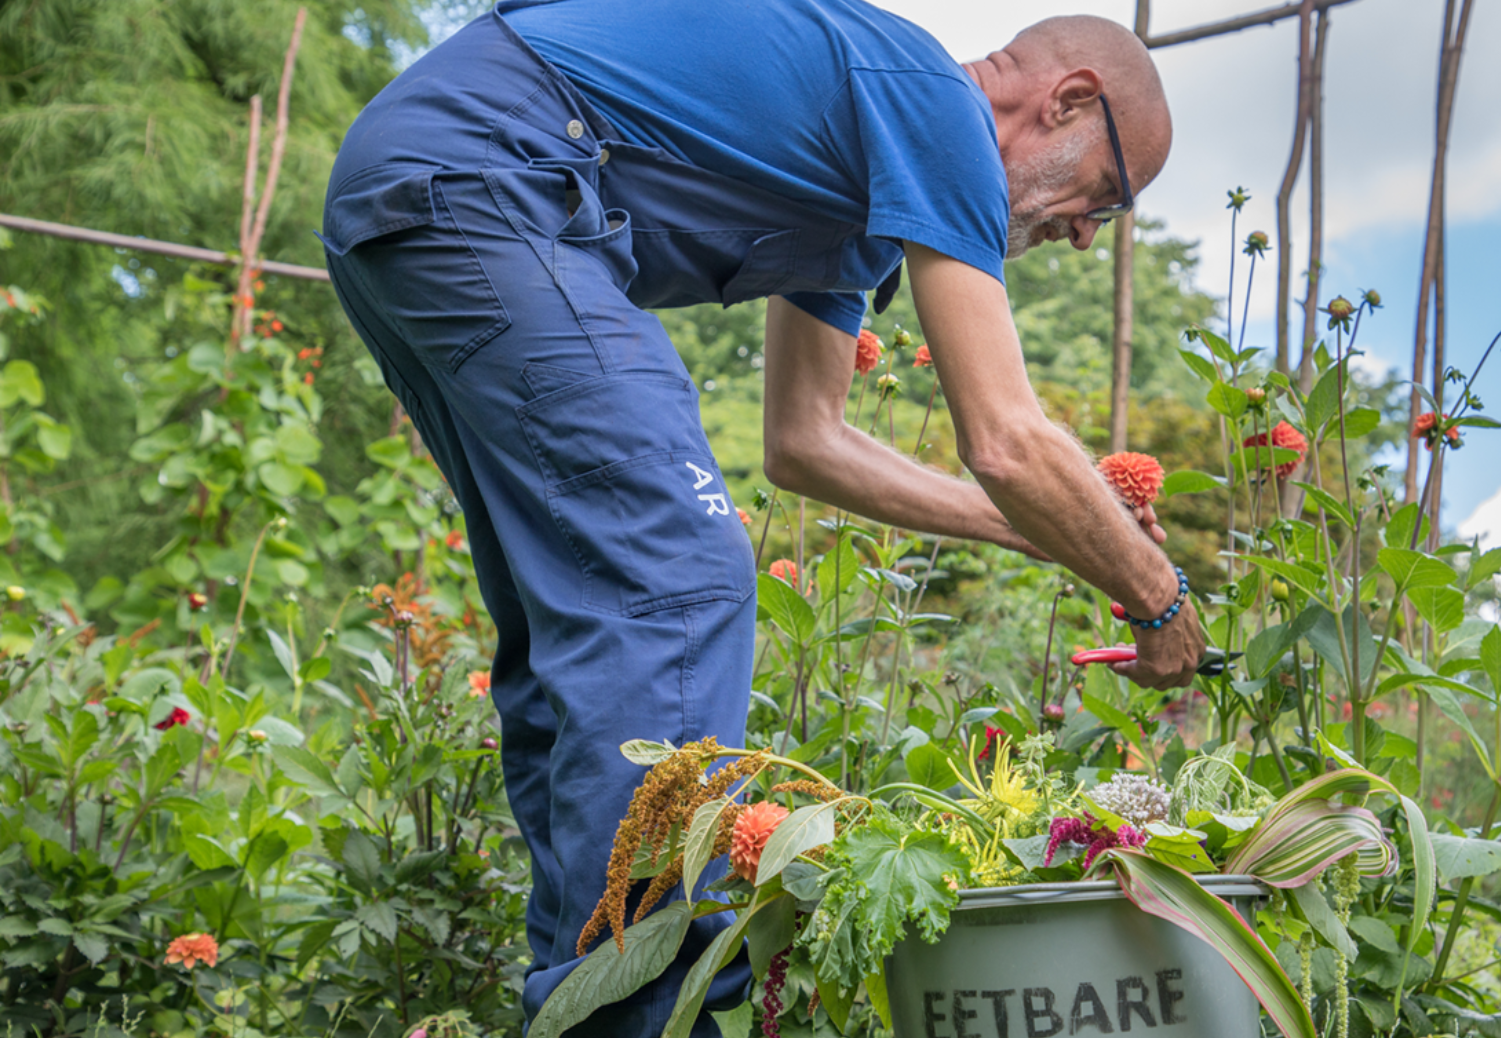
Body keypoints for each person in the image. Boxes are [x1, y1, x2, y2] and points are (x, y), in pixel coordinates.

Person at [317, 0, 1203, 1030]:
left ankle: (585, 1000)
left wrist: (1030, 527)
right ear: (1068, 101)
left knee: (588, 618)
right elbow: (1004, 435)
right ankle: (648, 1011)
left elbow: (806, 442)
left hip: (419, 193)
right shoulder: (937, 104)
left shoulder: (867, 192)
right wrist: (1157, 598)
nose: (1087, 236)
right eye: (1106, 193)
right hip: (492, 177)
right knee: (677, 577)